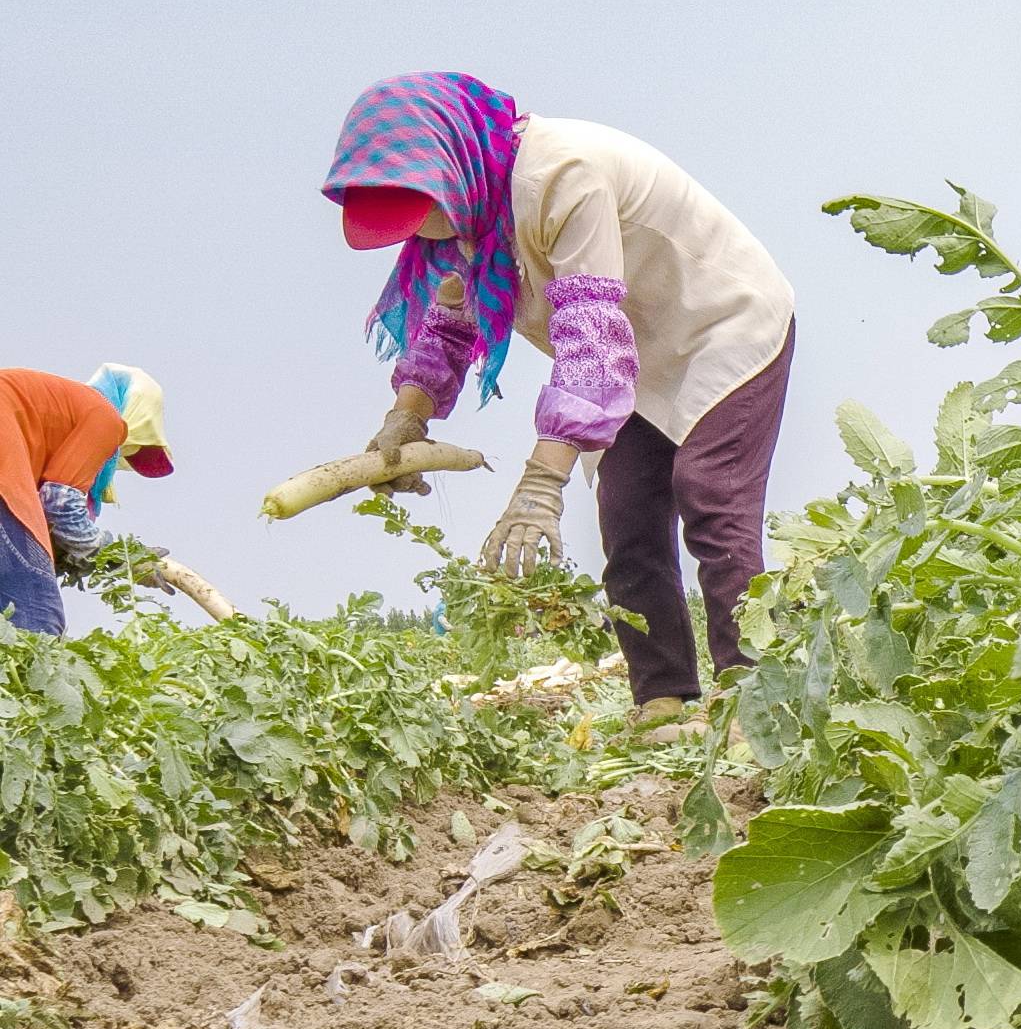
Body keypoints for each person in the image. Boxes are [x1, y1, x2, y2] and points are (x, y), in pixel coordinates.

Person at [319, 72, 796, 716]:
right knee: (627, 515)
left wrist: (540, 486)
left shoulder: (562, 176)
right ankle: (664, 698)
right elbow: (448, 328)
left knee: (710, 494)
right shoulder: (469, 215)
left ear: (446, 160)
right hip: (629, 353)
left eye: (420, 208)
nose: (423, 232)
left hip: (719, 324)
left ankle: (756, 698)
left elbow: (592, 341)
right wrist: (405, 419)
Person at [0, 366, 173, 637]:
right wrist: (120, 556)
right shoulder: (105, 417)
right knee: (36, 625)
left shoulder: (59, 406)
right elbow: (60, 503)